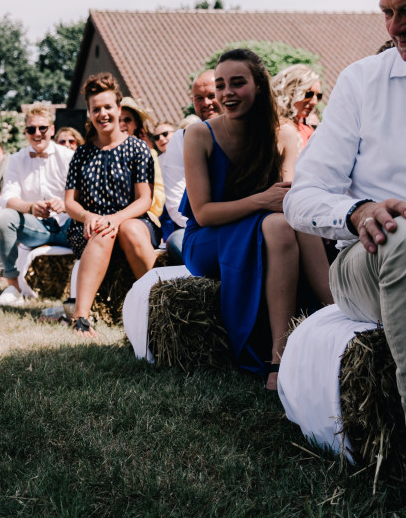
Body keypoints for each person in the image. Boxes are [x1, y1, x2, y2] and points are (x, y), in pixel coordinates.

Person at [285, 0, 406, 418]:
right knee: (400, 236)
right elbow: (301, 197)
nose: (394, 27)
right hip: (367, 257)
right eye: (387, 12)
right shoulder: (362, 82)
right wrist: (358, 212)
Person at [183, 49, 332, 390]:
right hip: (208, 239)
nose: (226, 93)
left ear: (259, 86)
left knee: (291, 221)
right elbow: (203, 213)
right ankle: (279, 359)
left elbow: (286, 200)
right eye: (221, 85)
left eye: (238, 83)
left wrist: (274, 203)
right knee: (278, 224)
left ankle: (338, 319)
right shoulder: (199, 135)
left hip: (268, 230)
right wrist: (261, 200)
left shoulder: (285, 134)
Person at [64, 74, 158, 337]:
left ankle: (158, 305)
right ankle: (80, 319)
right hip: (90, 228)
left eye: (107, 107)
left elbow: (144, 200)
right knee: (102, 231)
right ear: (89, 113)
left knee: (129, 228)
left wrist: (115, 219)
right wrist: (87, 216)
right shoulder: (81, 153)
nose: (102, 114)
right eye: (96, 109)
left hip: (132, 221)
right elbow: (69, 202)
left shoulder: (138, 149)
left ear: (118, 109)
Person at [0, 102, 74, 308]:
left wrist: (65, 204)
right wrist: (30, 207)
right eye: (31, 129)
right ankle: (13, 288)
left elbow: (85, 195)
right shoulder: (17, 159)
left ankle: (82, 288)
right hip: (36, 228)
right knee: (0, 216)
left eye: (42, 128)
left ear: (52, 129)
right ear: (26, 132)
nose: (37, 133)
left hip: (67, 226)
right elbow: (7, 198)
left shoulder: (68, 156)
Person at [159, 70, 223, 263]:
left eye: (211, 95)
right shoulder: (181, 139)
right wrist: (206, 221)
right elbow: (175, 203)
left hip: (239, 222)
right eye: (199, 98)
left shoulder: (243, 132)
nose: (206, 103)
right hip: (198, 226)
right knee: (176, 241)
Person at [120, 97, 165, 245]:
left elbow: (158, 192)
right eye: (118, 119)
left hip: (144, 218)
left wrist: (134, 210)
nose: (122, 124)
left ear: (136, 124)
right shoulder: (101, 153)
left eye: (127, 119)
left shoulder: (148, 153)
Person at [271, 64, 322, 149]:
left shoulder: (310, 134)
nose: (314, 102)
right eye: (309, 94)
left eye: (318, 96)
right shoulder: (270, 125)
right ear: (290, 92)